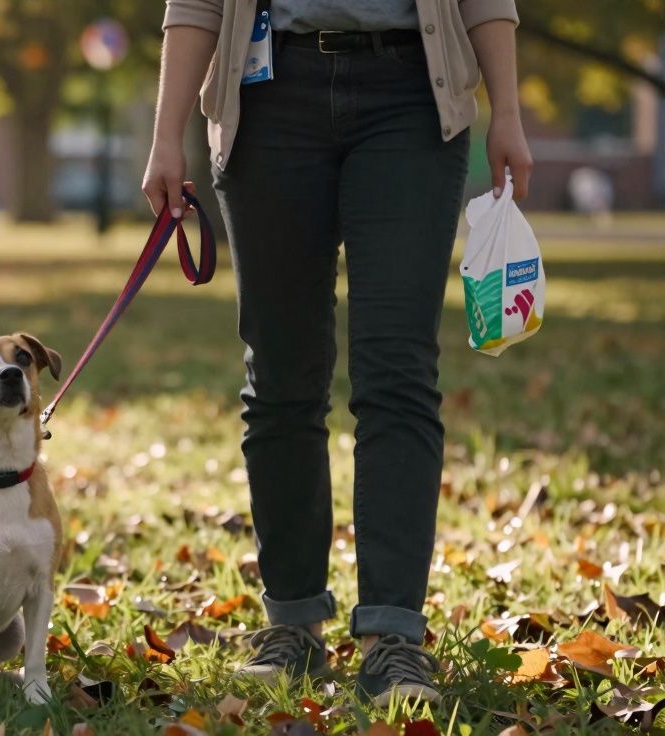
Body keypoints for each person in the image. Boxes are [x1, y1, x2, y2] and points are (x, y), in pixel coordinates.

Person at [143, 0, 532, 705]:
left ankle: (393, 639)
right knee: (281, 376)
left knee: (398, 372)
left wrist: (507, 110)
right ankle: (292, 624)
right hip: (268, 96)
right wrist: (166, 133)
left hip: (412, 95)